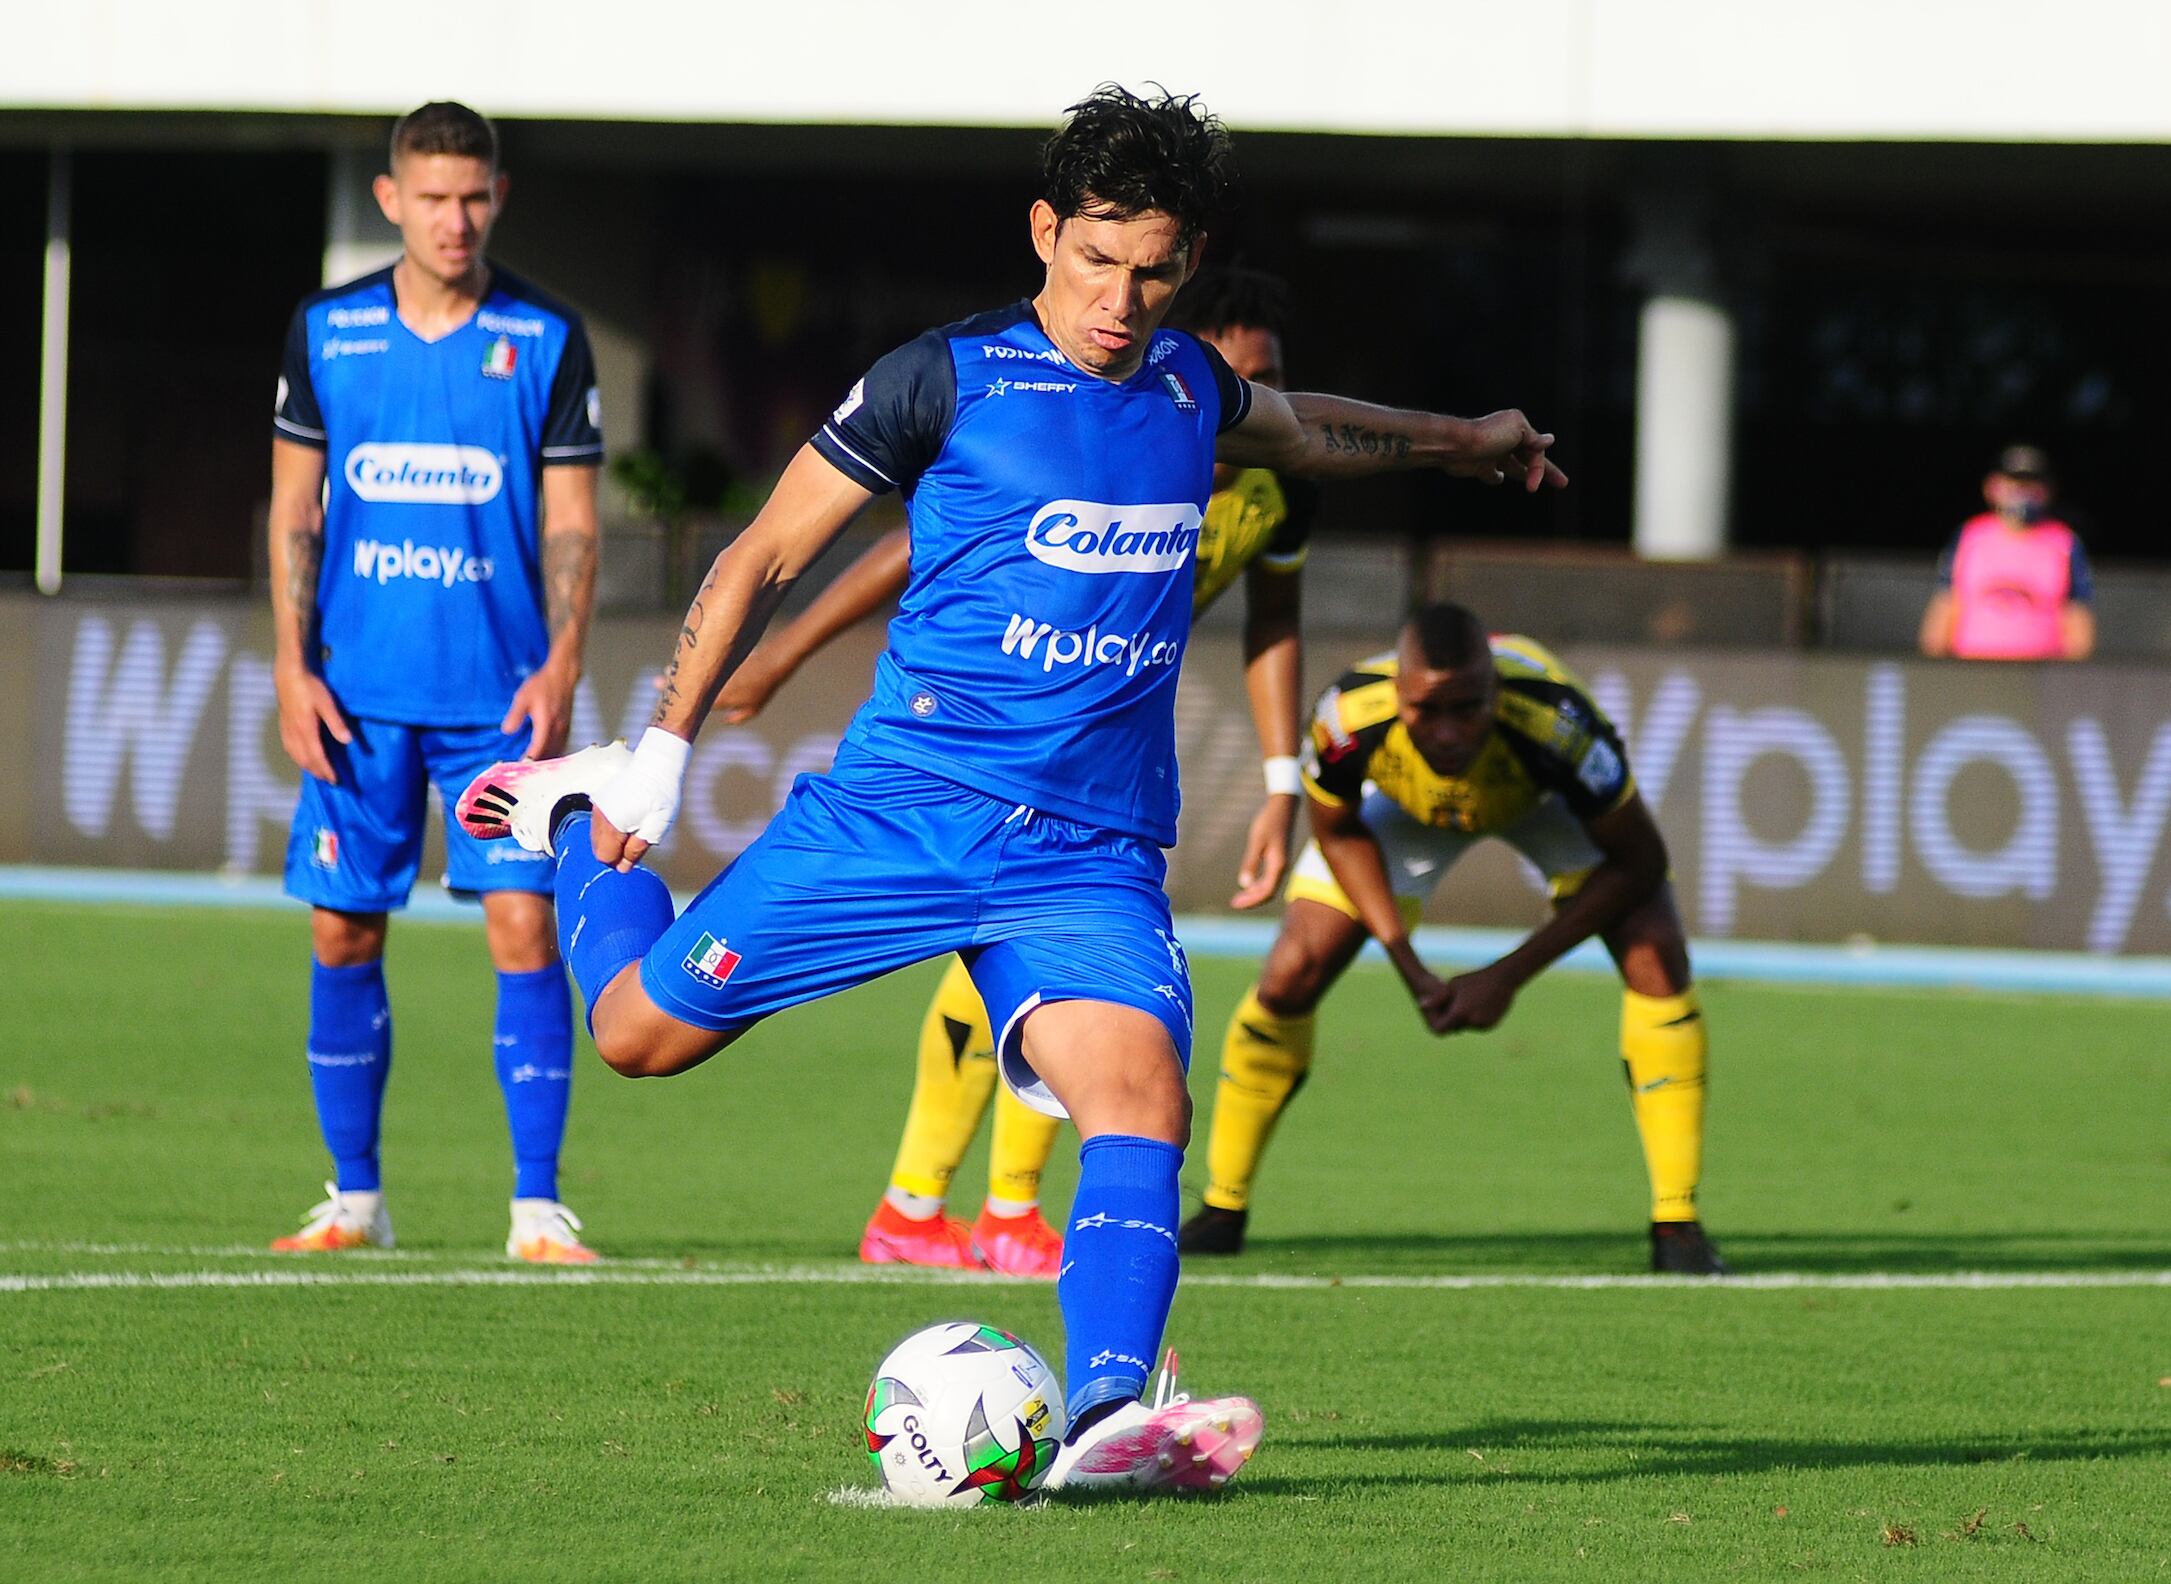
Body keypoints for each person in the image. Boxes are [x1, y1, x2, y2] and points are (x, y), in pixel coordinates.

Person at [455, 85, 1565, 1493]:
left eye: (1156, 271)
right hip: (901, 813)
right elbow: (759, 558)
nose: (1122, 299)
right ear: (1045, 232)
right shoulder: (948, 376)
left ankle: (1109, 1415)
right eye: (1097, 261)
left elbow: (1300, 424)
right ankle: (582, 833)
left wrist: (1468, 439)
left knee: (1143, 1100)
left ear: (1188, 264)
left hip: (1086, 853)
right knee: (631, 1039)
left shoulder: (1185, 387)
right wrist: (657, 767)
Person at [709, 266, 1315, 1278]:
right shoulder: (1088, 437)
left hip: (1092, 754)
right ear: (1188, 363)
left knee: (1029, 967)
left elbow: (1275, 622)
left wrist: (1283, 777)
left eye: (1271, 378)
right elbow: (907, 547)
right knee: (1031, 959)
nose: (1252, 398)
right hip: (984, 727)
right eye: (1240, 372)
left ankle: (959, 1208)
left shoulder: (1270, 489)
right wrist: (782, 654)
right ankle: (956, 1205)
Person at [266, 102, 603, 1262]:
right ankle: (354, 1200)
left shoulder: (548, 338)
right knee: (343, 933)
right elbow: (293, 509)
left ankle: (536, 1208)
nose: (455, 220)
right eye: (434, 198)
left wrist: (562, 661)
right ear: (390, 201)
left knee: (522, 927)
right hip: (357, 698)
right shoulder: (327, 331)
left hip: (499, 702)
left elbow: (572, 523)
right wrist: (290, 660)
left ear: (498, 196)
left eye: (475, 197)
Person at [1181, 602, 1725, 1276]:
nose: (1445, 732)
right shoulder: (1347, 716)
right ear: (1399, 691)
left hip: (1540, 806)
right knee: (1292, 968)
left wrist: (1507, 975)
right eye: (1424, 712)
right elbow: (1339, 830)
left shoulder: (1557, 726)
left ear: (1495, 690)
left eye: (1467, 708)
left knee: (1655, 950)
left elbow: (1638, 861)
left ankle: (1678, 1224)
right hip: (1406, 813)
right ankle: (1222, 1208)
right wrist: (1406, 962)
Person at [1918, 444, 2095, 661]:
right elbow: (1946, 602)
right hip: (1972, 668)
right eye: (2014, 482)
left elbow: (2077, 615)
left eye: (2030, 484)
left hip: (2040, 675)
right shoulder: (1970, 536)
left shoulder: (2064, 542)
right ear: (1992, 486)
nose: (2022, 492)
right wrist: (1935, 664)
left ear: (2047, 489)